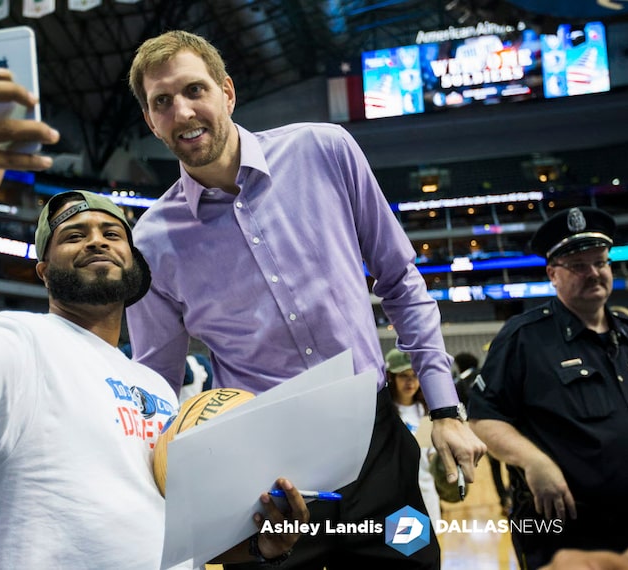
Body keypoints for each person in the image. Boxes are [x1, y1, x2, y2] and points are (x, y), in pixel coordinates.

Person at [0, 68, 307, 569]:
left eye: (113, 234)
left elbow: (166, 524)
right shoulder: (21, 339)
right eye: (73, 235)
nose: (97, 241)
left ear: (134, 265)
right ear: (44, 272)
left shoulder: (154, 385)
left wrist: (258, 545)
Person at [125, 29, 486, 567]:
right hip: (265, 483)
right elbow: (155, 386)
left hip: (376, 446)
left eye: (194, 90)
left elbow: (400, 279)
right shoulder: (152, 241)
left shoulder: (325, 149)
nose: (182, 112)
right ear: (152, 122)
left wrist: (445, 408)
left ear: (227, 92)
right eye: (162, 102)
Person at [469, 206, 628, 569]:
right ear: (552, 274)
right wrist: (533, 460)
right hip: (564, 534)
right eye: (578, 265)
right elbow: (482, 417)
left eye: (600, 262)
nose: (593, 273)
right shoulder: (525, 338)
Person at [385, 348, 440, 522]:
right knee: (405, 546)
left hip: (426, 488)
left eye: (414, 375)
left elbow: (431, 451)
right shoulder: (384, 413)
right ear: (391, 378)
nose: (410, 382)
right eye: (403, 375)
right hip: (397, 494)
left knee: (431, 546)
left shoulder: (426, 410)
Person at [456, 352, 512, 515]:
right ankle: (512, 495)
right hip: (503, 425)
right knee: (512, 464)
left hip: (482, 431)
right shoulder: (487, 373)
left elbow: (462, 411)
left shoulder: (460, 384)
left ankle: (504, 500)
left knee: (495, 468)